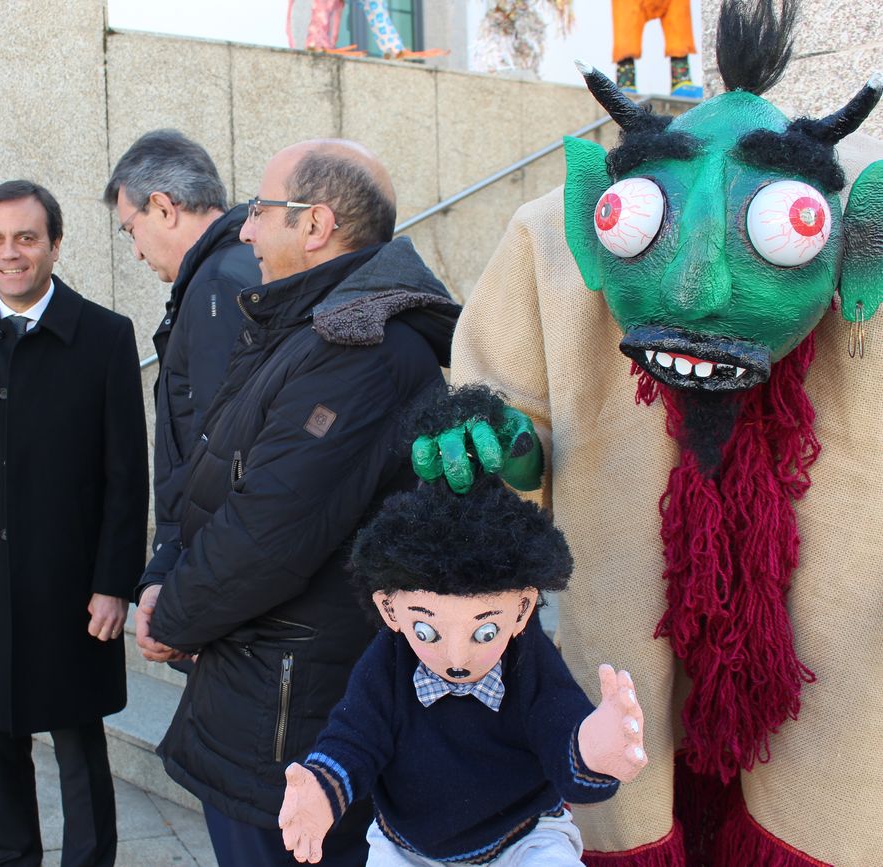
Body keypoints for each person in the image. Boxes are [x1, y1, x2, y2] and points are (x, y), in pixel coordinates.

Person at [416, 2, 883, 863]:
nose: (701, 289)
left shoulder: (865, 225)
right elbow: (515, 445)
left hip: (836, 678)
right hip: (633, 660)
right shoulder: (549, 241)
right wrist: (495, 443)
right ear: (602, 217)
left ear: (857, 252)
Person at [135, 139, 460, 866]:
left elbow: (268, 529)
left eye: (259, 210)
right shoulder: (308, 328)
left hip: (292, 716)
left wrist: (174, 613)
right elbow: (225, 480)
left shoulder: (360, 347)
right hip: (264, 691)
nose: (245, 228)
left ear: (314, 225)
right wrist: (169, 573)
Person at [278, 389, 647, 866]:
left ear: (521, 610)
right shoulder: (387, 663)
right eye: (427, 631)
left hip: (522, 834)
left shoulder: (529, 661)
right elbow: (356, 735)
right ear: (390, 610)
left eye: (484, 631)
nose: (456, 658)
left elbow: (559, 725)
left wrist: (592, 747)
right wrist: (323, 790)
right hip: (406, 844)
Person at [0, 180, 148, 867]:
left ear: (54, 244)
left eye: (25, 238)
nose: (9, 253)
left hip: (72, 587)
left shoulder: (104, 337)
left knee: (79, 739)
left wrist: (114, 583)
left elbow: (126, 478)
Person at [102, 129, 260, 588]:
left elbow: (225, 452)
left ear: (164, 207)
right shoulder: (239, 267)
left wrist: (190, 583)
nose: (135, 251)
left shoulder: (217, 286)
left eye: (131, 229)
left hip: (216, 573)